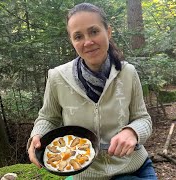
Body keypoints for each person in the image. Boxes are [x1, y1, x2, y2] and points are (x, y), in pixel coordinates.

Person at [27, 2, 157, 180]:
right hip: (85, 173)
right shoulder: (58, 77)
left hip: (132, 166)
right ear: (72, 41)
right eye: (78, 36)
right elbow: (48, 118)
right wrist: (37, 136)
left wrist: (132, 132)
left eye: (94, 31)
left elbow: (143, 118)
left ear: (108, 32)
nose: (88, 42)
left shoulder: (127, 73)